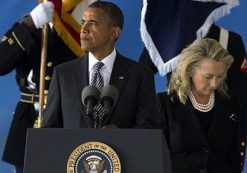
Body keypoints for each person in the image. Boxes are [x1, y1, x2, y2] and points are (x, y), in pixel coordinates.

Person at [42, 1, 156, 129]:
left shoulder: (140, 75)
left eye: (93, 23)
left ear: (114, 32)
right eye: (83, 23)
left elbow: (148, 129)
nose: (83, 30)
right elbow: (49, 129)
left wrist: (123, 136)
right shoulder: (63, 74)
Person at [0, 2, 79, 173]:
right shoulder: (28, 27)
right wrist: (29, 23)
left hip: (67, 117)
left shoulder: (81, 29)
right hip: (30, 117)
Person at [156, 38, 241, 173]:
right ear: (189, 71)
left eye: (219, 76)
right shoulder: (165, 104)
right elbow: (156, 159)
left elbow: (234, 156)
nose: (214, 84)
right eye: (208, 77)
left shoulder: (230, 102)